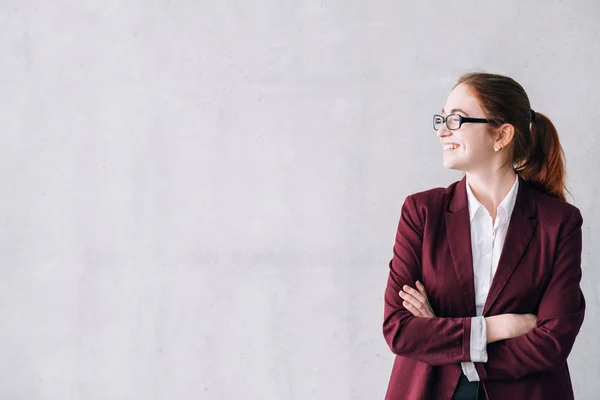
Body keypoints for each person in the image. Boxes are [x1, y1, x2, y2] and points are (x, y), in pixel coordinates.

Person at [382, 72, 586, 400]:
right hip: (429, 390)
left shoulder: (558, 222)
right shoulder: (422, 212)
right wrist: (497, 327)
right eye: (441, 118)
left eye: (456, 119)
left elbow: (553, 341)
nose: (442, 130)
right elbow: (401, 330)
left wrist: (447, 342)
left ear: (501, 135)